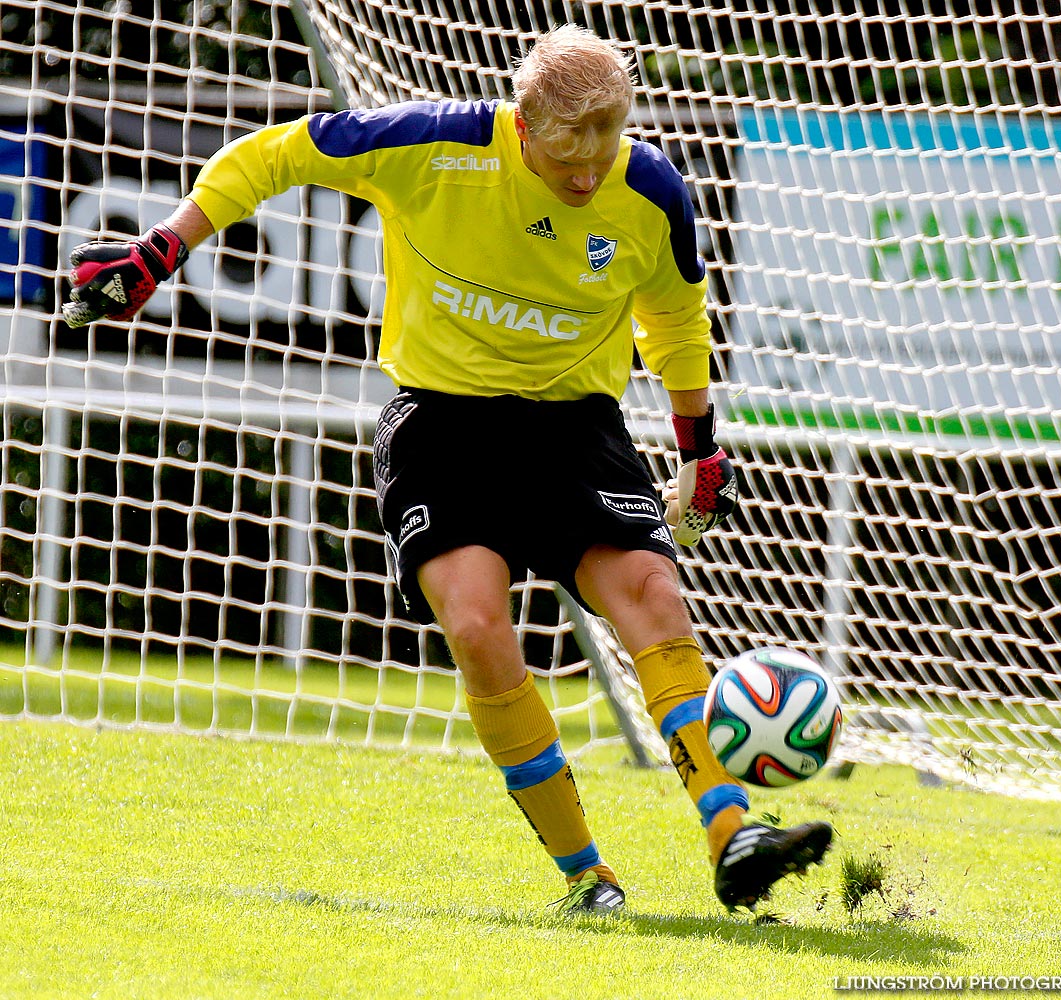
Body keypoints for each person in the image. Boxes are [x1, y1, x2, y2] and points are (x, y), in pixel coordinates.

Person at [62, 24, 831, 914]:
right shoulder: (429, 146)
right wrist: (163, 248)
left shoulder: (651, 190)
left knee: (655, 597)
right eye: (567, 151)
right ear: (523, 123)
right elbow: (272, 154)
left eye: (605, 146)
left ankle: (733, 833)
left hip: (575, 429)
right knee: (475, 625)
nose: (587, 173)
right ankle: (588, 877)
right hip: (442, 426)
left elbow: (674, 323)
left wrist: (697, 446)